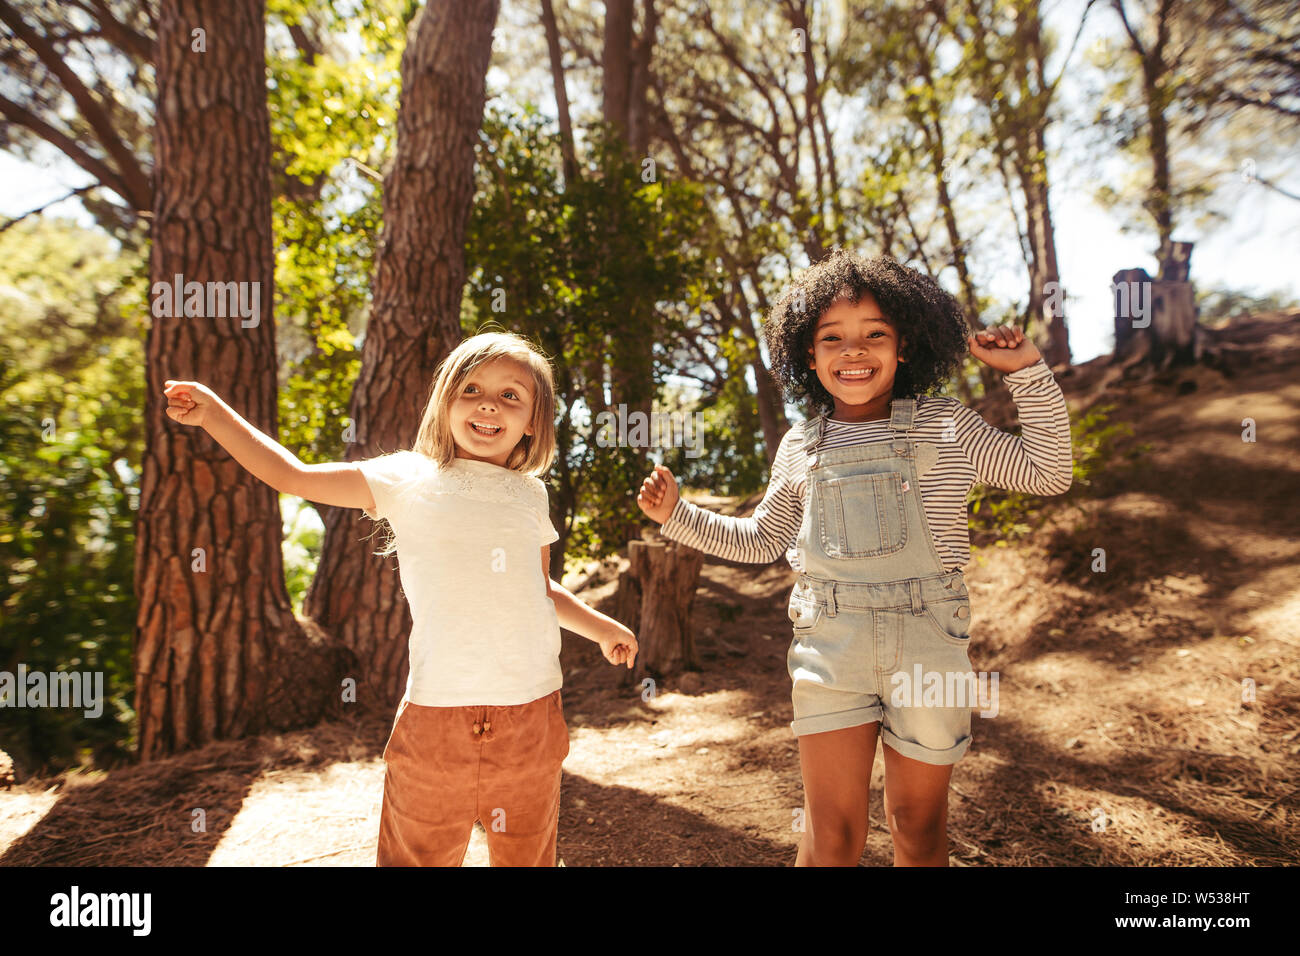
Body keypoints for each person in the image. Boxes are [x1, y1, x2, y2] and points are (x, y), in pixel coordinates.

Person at [637, 250, 1072, 866]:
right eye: (832, 338)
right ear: (807, 357)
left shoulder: (946, 424)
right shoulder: (799, 445)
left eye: (875, 334)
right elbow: (761, 540)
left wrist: (1027, 371)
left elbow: (1049, 471)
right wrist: (677, 516)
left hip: (928, 644)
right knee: (829, 832)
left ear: (905, 348)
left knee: (916, 826)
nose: (854, 351)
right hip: (829, 646)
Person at [163, 330, 637, 867]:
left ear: (534, 421)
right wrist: (216, 415)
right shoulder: (405, 477)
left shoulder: (531, 493)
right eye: (472, 388)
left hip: (532, 717)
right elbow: (290, 476)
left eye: (512, 395)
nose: (489, 403)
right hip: (436, 718)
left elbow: (539, 587)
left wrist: (601, 627)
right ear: (446, 401)